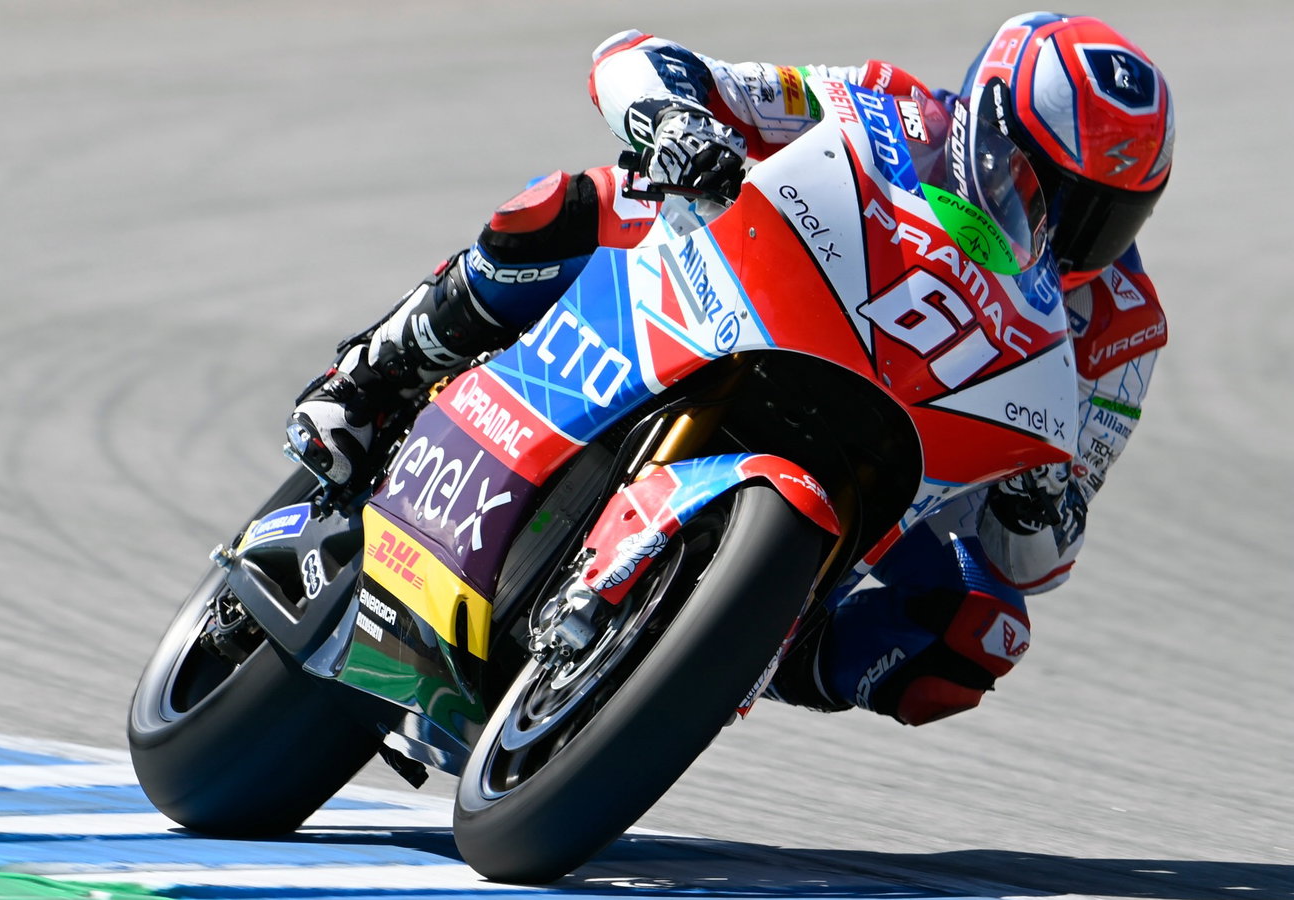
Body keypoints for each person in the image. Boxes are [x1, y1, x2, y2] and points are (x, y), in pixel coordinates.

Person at [283, 12, 1173, 726]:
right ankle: (373, 380)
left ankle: (730, 648)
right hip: (747, 313)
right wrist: (676, 121)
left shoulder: (1122, 332)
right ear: (986, 124)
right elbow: (647, 60)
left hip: (900, 470)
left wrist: (1040, 503)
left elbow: (1040, 561)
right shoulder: (888, 108)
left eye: (1106, 216)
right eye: (1054, 191)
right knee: (581, 202)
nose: (1070, 232)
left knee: (986, 627)